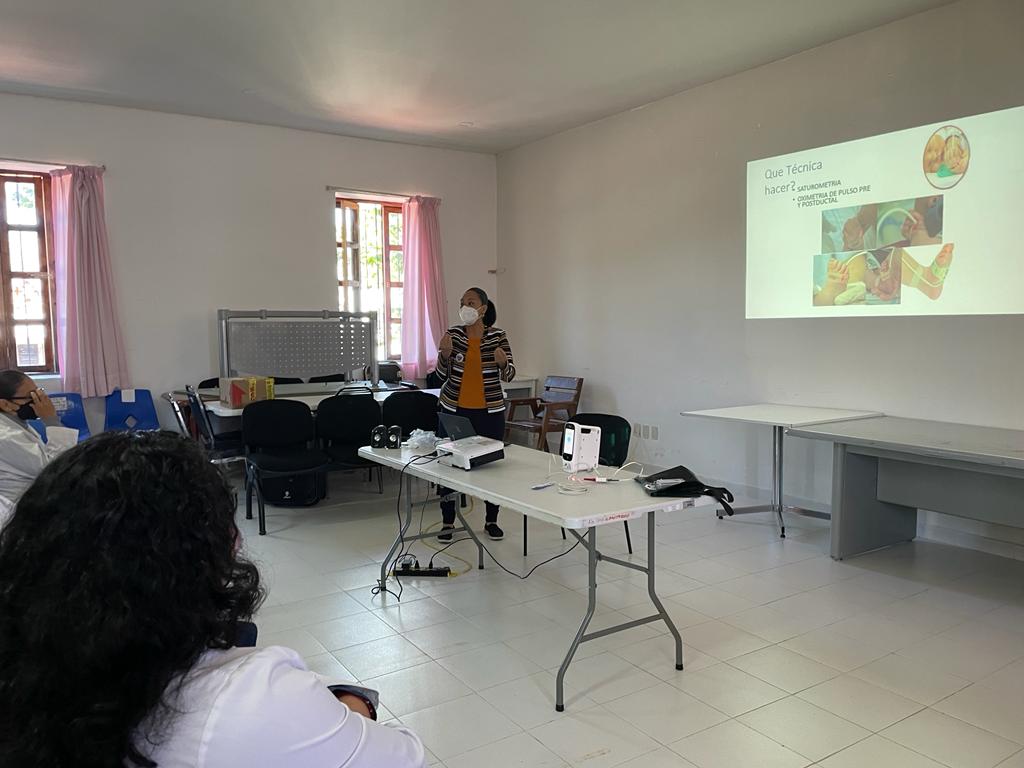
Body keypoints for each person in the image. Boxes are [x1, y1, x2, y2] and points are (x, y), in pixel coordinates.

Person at [0, 431, 427, 768]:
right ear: (207, 548)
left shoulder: (32, 658)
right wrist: (354, 709)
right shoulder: (246, 697)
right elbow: (406, 756)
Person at [435, 287, 516, 541]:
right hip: (454, 410)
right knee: (448, 466)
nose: (464, 306)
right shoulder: (453, 334)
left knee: (491, 467)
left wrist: (503, 364)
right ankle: (448, 522)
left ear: (483, 308)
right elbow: (439, 376)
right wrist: (444, 355)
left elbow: (510, 374)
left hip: (489, 412)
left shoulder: (498, 336)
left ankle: (491, 520)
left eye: (470, 302)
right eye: (461, 302)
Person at [0, 370, 79, 525]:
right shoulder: (5, 436)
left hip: (34, 493)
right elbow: (54, 470)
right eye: (32, 397)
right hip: (19, 509)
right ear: (5, 404)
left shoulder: (15, 423)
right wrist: (51, 421)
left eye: (39, 393)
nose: (39, 401)